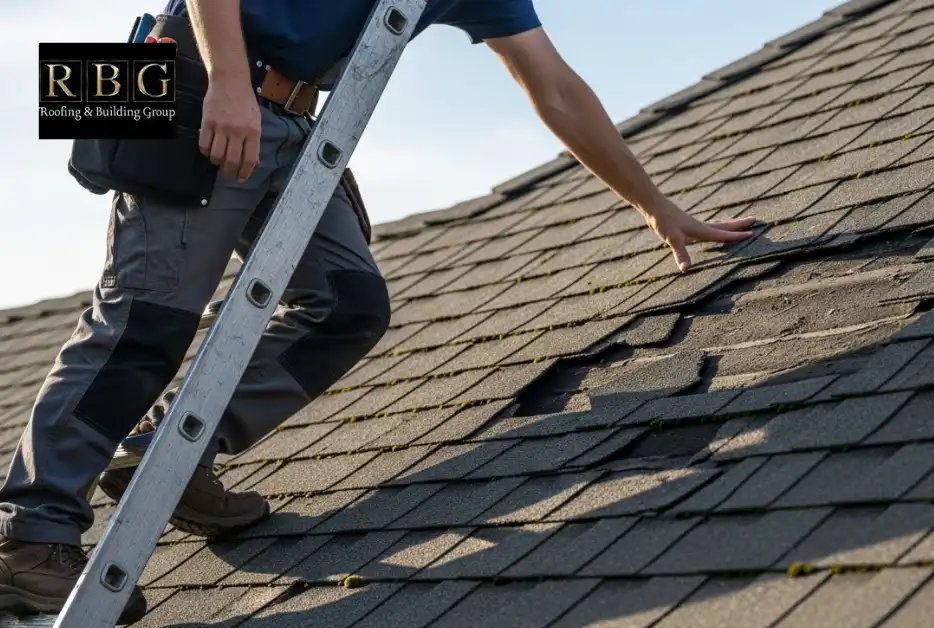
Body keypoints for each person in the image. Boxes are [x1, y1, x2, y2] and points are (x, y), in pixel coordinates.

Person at [0, 0, 757, 622]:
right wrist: (230, 78)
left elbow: (553, 84)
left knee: (349, 305)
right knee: (144, 321)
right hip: (193, 77)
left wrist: (655, 206)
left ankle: (172, 451)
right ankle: (30, 537)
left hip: (295, 122)